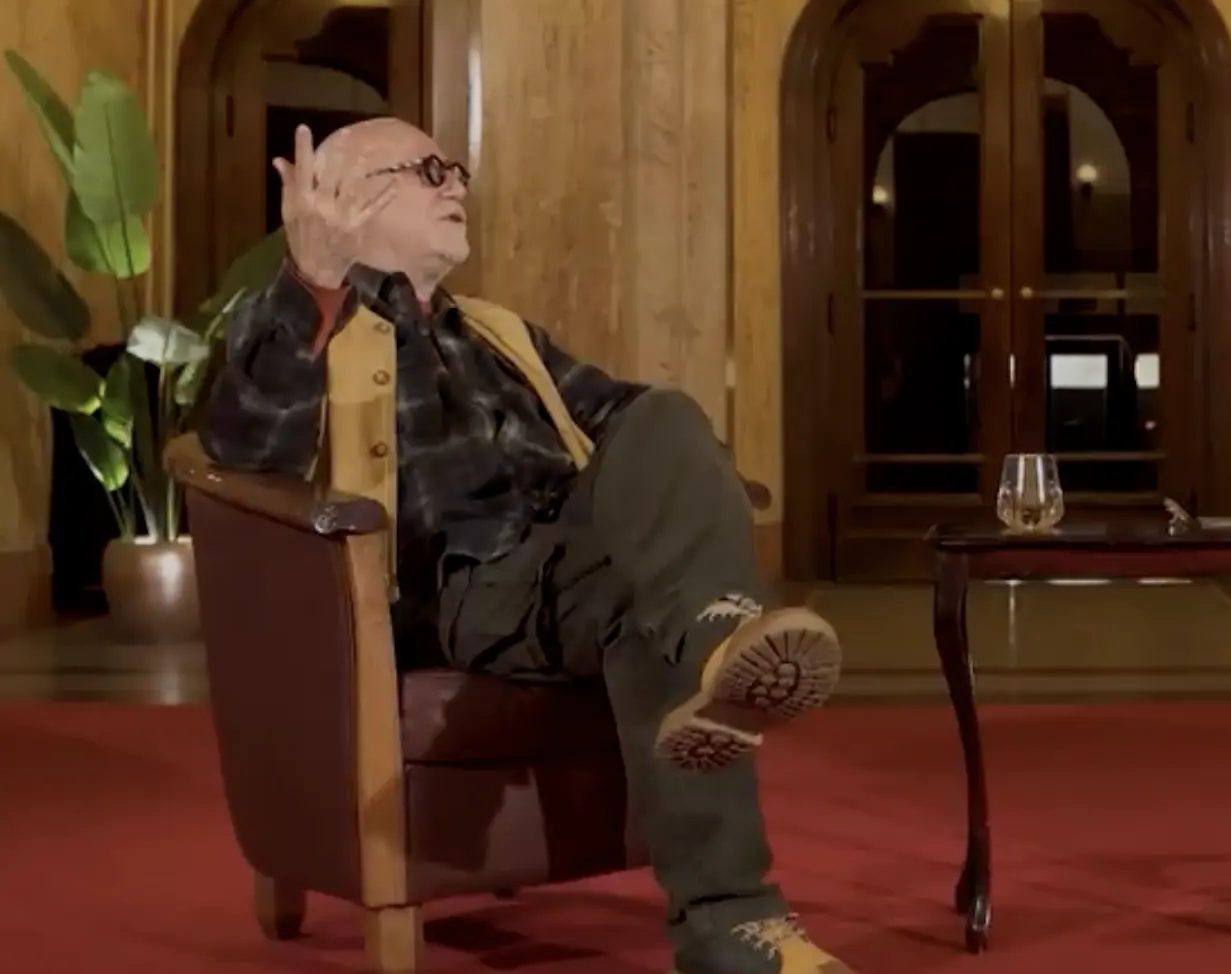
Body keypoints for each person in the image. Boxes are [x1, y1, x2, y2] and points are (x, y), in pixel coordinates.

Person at [199, 118, 854, 974]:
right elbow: (244, 446)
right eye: (428, 170)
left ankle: (718, 650)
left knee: (663, 419)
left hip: (566, 558)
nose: (456, 184)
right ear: (345, 200)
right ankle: (730, 897)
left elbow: (634, 427)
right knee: (650, 604)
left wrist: (693, 496)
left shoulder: (496, 331)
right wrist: (314, 280)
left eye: (455, 169)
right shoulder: (303, 326)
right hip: (465, 584)